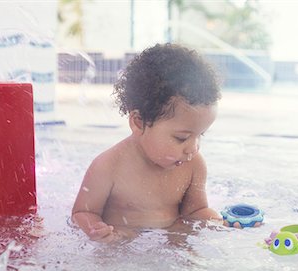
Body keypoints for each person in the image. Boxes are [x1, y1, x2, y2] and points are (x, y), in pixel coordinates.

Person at [71, 44, 222, 243]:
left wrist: (219, 223)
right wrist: (96, 230)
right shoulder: (108, 167)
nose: (193, 148)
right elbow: (82, 212)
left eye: (201, 135)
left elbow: (196, 211)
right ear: (139, 122)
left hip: (170, 245)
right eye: (182, 138)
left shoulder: (193, 165)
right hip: (122, 247)